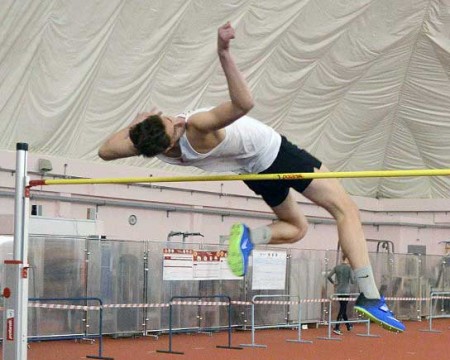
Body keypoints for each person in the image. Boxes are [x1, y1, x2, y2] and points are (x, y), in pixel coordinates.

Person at [98, 22, 405, 333]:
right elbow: (244, 104)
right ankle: (370, 296)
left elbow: (105, 152)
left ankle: (247, 238)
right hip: (276, 153)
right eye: (172, 123)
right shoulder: (197, 126)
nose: (176, 117)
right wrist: (223, 52)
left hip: (253, 171)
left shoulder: (152, 146)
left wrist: (134, 125)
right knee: (346, 210)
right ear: (174, 138)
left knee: (296, 228)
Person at [327, 255, 355, 335]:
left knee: (343, 308)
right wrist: (355, 278)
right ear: (347, 259)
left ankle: (348, 325)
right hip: (346, 291)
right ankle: (337, 327)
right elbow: (352, 281)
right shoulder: (349, 268)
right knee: (343, 308)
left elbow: (329, 276)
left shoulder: (337, 267)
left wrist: (334, 283)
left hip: (339, 290)